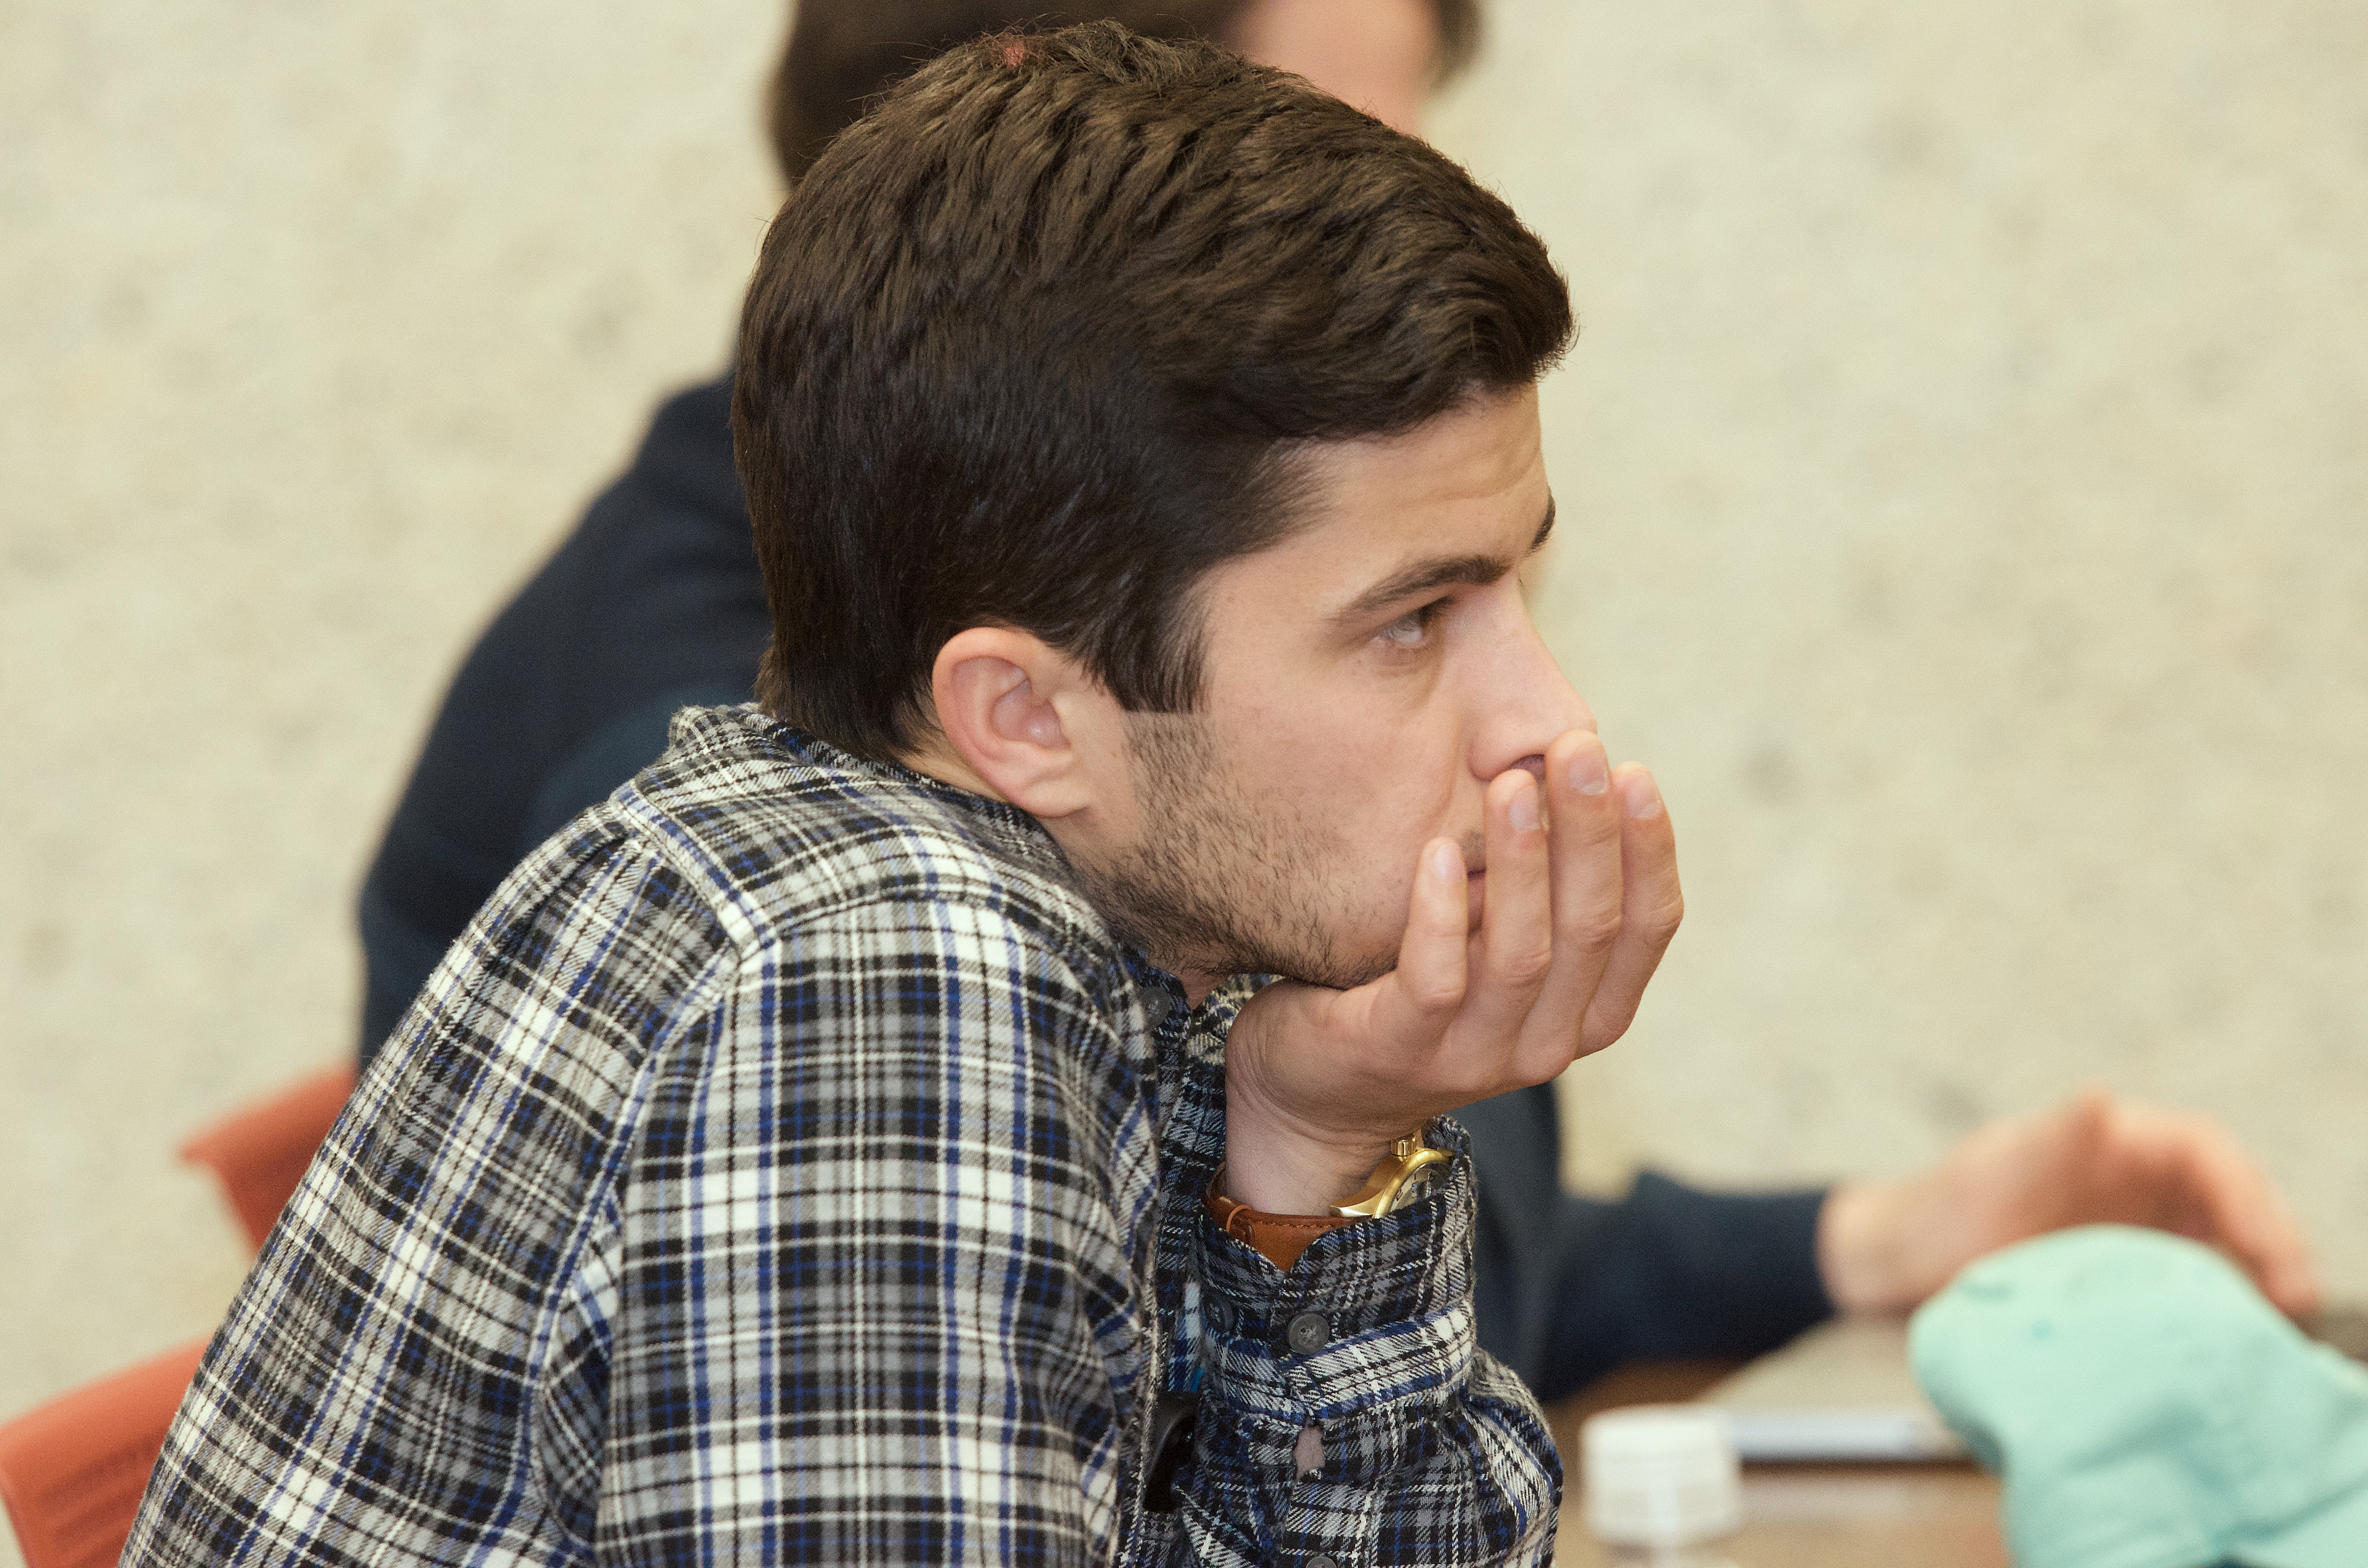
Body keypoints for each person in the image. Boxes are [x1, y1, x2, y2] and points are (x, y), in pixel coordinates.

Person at [350, 0, 2323, 1412]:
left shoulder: (1164, 732)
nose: (1546, 720)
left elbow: (1346, 1342)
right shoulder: (850, 911)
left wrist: (1839, 1234)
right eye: (1293, 182)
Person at [134, 25, 1638, 1561]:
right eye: (1412, 622)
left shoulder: (1094, 950)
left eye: (1521, 590)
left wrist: (1317, 1151)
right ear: (1027, 718)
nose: (1550, 722)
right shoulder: (877, 968)